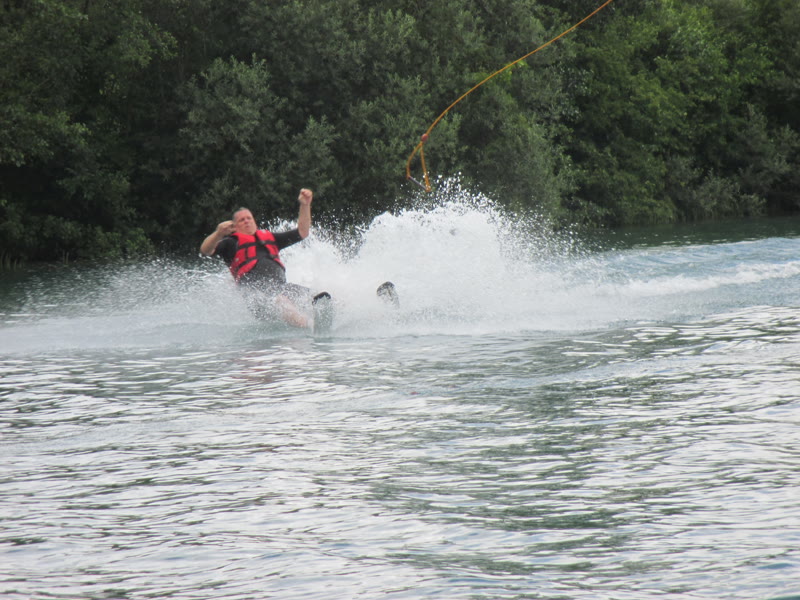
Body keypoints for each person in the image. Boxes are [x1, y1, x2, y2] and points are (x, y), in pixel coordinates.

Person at [200, 188, 318, 328]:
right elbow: (205, 250)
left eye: (249, 218)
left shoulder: (271, 239)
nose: (246, 221)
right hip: (256, 297)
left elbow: (303, 232)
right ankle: (307, 326)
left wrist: (305, 205)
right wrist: (218, 233)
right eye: (241, 220)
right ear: (234, 227)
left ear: (255, 222)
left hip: (280, 287)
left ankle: (321, 317)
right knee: (280, 300)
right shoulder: (230, 244)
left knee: (315, 295)